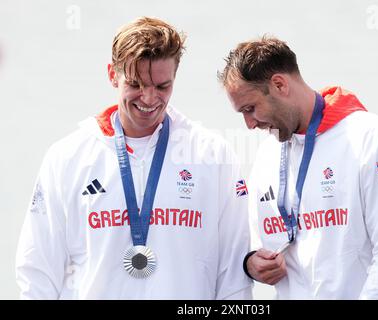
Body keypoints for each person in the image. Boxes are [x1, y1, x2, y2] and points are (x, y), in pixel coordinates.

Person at [16, 17, 252, 299]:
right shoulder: (67, 156)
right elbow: (38, 271)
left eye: (163, 87)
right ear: (112, 75)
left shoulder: (212, 155)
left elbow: (233, 278)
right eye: (136, 84)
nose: (149, 98)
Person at [218, 36, 378, 299]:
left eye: (250, 109)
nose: (249, 125)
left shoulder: (376, 141)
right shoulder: (267, 154)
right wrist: (252, 262)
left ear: (279, 84)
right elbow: (255, 242)